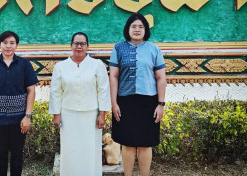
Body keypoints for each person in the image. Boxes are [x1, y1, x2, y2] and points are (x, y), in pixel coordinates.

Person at [109, 13, 167, 176]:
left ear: (146, 30)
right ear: (128, 29)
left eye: (141, 27)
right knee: (127, 143)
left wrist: (160, 104)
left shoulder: (154, 49)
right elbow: (113, 76)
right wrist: (114, 103)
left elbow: (161, 78)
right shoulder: (118, 48)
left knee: (145, 143)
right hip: (124, 101)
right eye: (133, 26)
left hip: (148, 102)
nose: (137, 29)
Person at [49, 32, 111, 176]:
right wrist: (56, 115)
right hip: (68, 115)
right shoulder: (61, 66)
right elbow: (55, 92)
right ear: (71, 46)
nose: (79, 46)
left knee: (90, 150)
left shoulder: (97, 65)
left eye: (82, 44)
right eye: (76, 43)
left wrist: (102, 114)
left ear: (87, 46)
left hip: (91, 115)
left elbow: (103, 90)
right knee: (70, 150)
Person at [0, 31, 38, 176]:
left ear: (16, 45)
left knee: (17, 154)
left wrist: (27, 116)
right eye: (5, 43)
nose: (8, 46)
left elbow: (31, 91)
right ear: (0, 44)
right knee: (0, 155)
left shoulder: (24, 64)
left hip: (19, 119)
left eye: (12, 43)